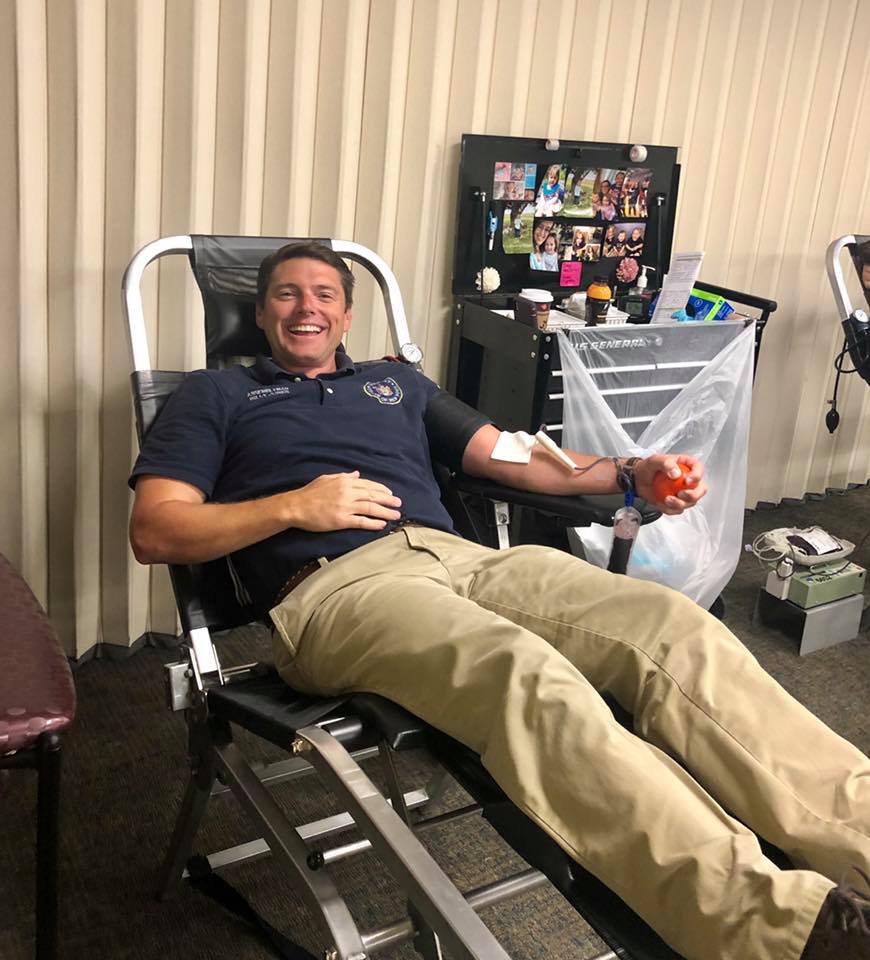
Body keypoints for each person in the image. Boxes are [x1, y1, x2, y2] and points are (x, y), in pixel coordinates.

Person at [129, 242, 870, 960]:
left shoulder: (397, 384)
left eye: (324, 295)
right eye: (286, 294)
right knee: (527, 675)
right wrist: (295, 507)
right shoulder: (213, 395)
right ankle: (786, 933)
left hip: (467, 561)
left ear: (347, 316)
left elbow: (514, 455)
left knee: (673, 626)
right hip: (335, 590)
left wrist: (631, 472)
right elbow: (157, 529)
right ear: (259, 313)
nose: (306, 308)